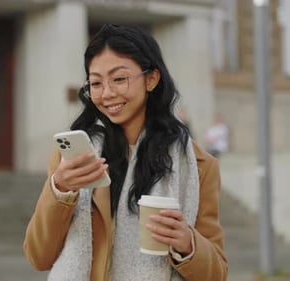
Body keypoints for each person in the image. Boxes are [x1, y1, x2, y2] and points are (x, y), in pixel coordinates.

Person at [23, 24, 227, 281]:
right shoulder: (74, 159)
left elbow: (217, 274)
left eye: (119, 79)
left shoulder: (198, 165)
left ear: (151, 79)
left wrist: (188, 244)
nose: (107, 93)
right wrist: (60, 190)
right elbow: (38, 256)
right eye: (96, 83)